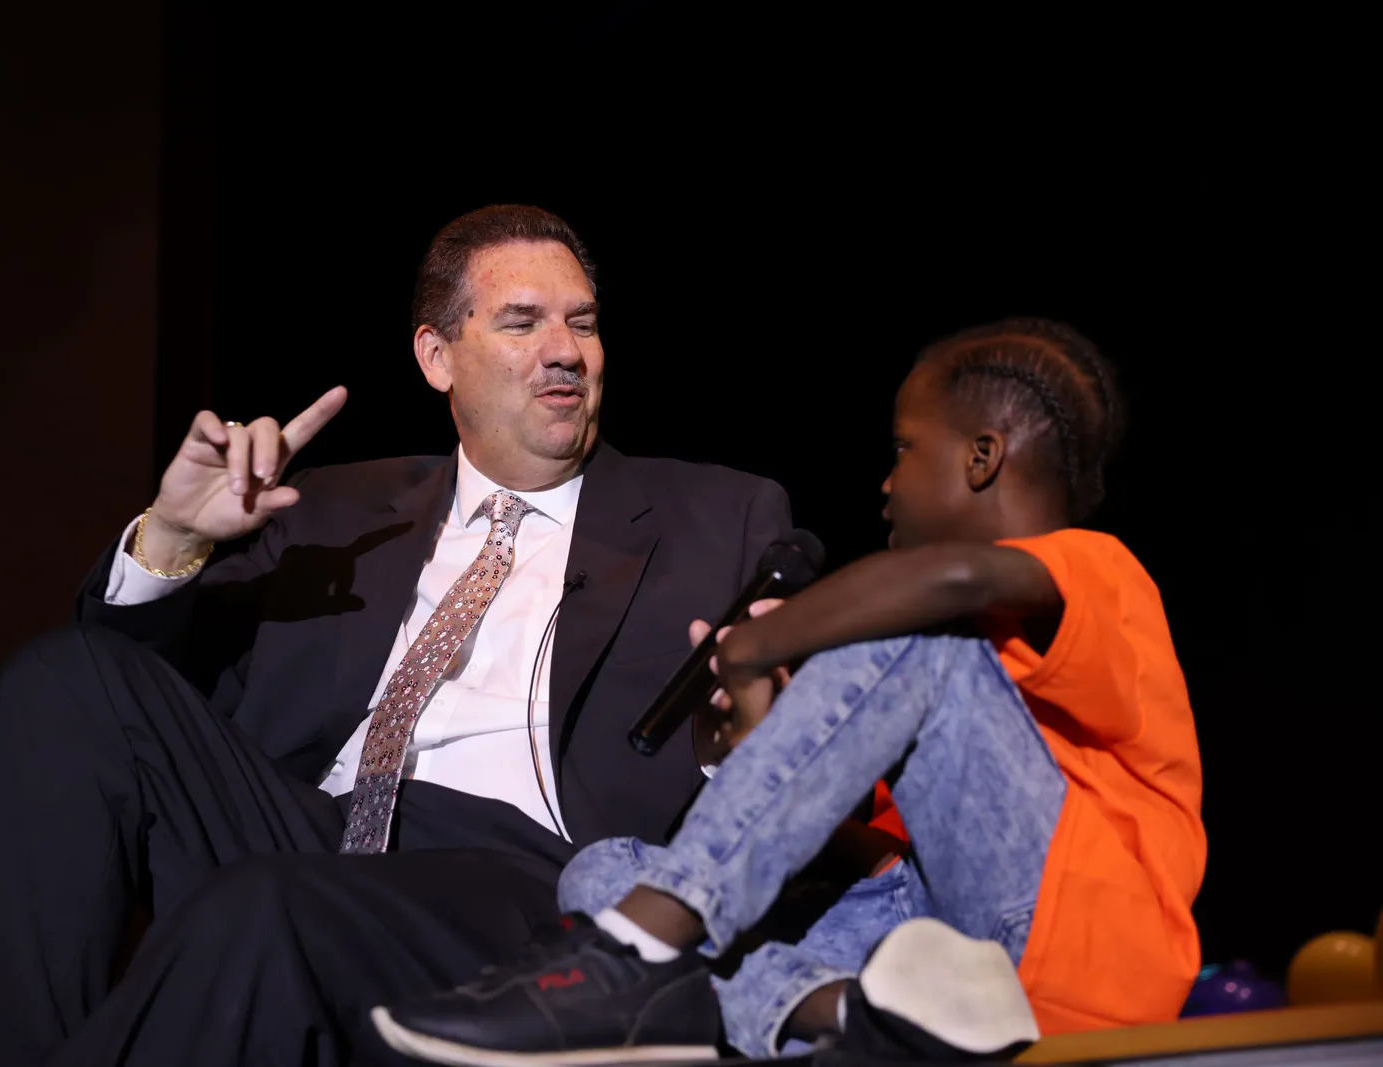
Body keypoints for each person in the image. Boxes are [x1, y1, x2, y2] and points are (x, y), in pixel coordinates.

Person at [0, 205, 795, 1066]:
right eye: (522, 323)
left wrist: (742, 735)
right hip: (306, 821)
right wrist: (171, 539)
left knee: (263, 909)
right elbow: (130, 690)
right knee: (64, 675)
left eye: (583, 323)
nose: (565, 352)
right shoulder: (329, 507)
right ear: (438, 357)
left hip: (521, 870)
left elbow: (761, 749)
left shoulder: (720, 516)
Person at [373, 318, 1207, 1064]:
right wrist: (764, 732)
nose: (885, 482)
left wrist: (761, 643)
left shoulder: (1097, 572)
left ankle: (633, 959)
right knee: (603, 867)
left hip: (1075, 947)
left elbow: (949, 577)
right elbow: (861, 856)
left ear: (983, 456)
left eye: (905, 449)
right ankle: (861, 1015)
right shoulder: (933, 684)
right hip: (944, 962)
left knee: (907, 634)